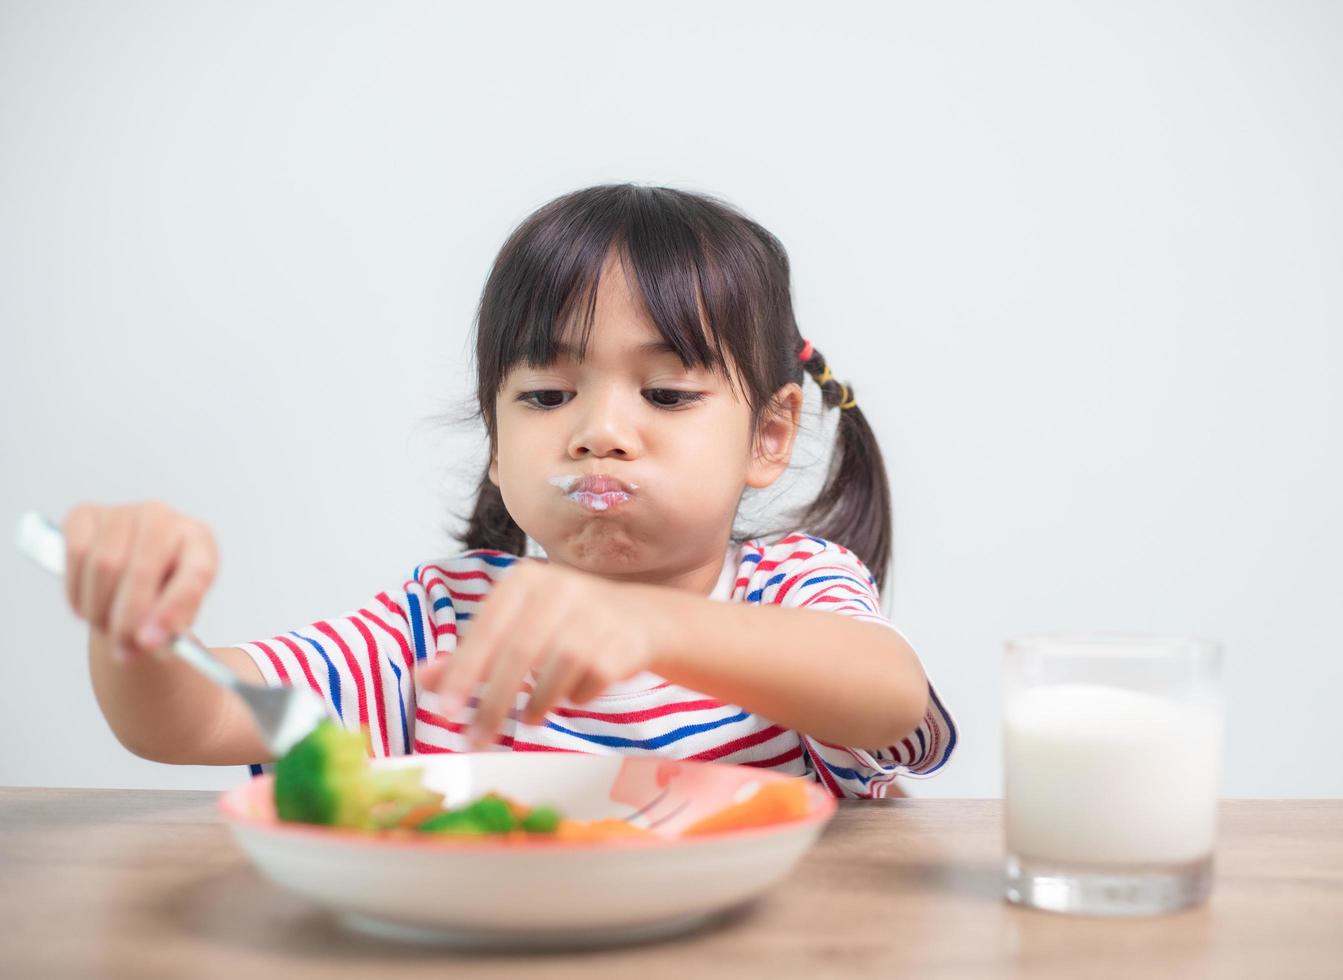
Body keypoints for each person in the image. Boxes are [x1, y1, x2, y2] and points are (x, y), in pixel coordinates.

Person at [62, 183, 957, 798]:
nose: (601, 430)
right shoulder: (444, 622)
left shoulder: (793, 593)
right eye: (545, 396)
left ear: (768, 437)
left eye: (668, 394)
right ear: (498, 446)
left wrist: (654, 626)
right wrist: (136, 626)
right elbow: (198, 719)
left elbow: (889, 696)